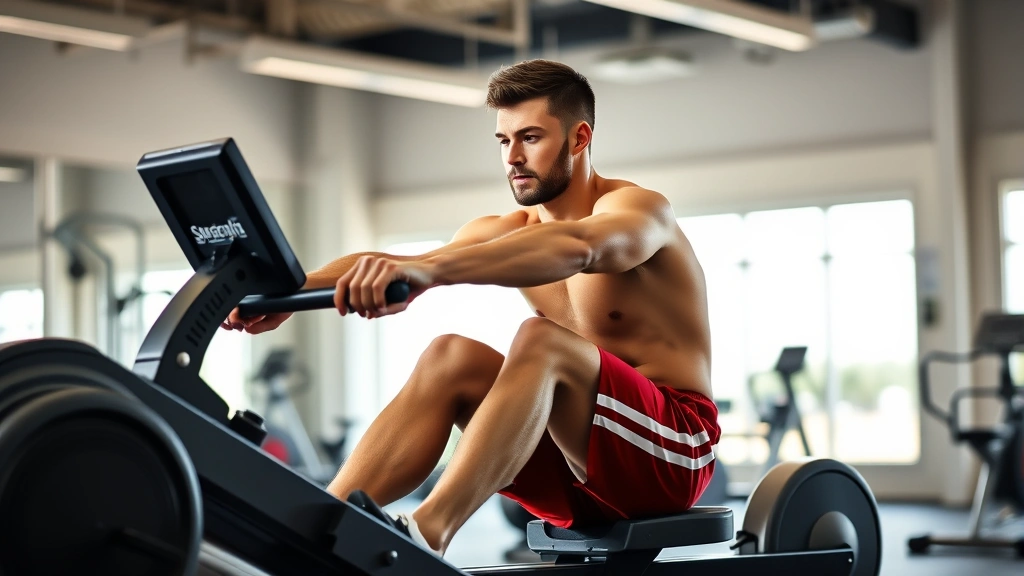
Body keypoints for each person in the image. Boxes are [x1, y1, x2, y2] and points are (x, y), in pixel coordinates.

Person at [223, 59, 720, 557]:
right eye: (504, 141)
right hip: (577, 471)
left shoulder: (638, 210)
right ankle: (311, 531)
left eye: (530, 137)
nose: (513, 158)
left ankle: (426, 535)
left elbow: (581, 247)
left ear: (578, 138)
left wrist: (433, 274)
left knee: (540, 339)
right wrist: (287, 293)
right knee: (450, 356)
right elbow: (402, 261)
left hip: (673, 454)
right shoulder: (510, 230)